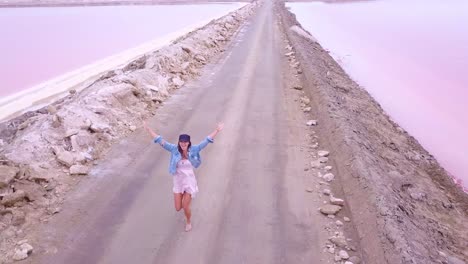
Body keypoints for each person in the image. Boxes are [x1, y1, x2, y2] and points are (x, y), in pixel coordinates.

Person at [143, 121, 224, 232]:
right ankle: (185, 205)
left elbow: (206, 141)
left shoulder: (194, 149)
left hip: (189, 181)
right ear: (179, 142)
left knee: (185, 206)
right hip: (178, 181)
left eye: (185, 142)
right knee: (178, 208)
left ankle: (188, 221)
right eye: (181, 142)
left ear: (189, 143)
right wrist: (148, 129)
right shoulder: (173, 149)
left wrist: (217, 130)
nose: (183, 144)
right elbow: (160, 141)